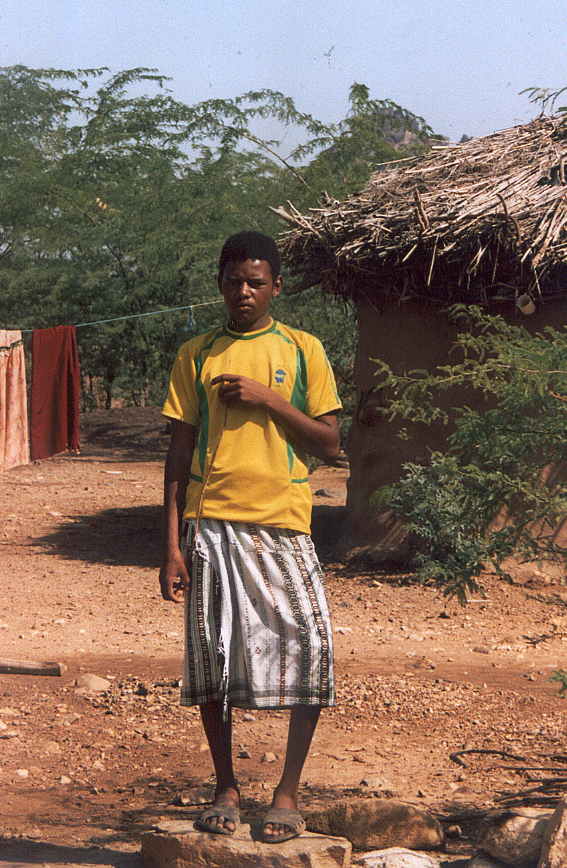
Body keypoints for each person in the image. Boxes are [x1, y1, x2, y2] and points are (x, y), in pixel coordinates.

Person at [159, 231, 341, 844]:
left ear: (277, 287)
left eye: (256, 282)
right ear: (220, 284)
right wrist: (171, 544)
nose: (244, 292)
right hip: (210, 526)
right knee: (212, 658)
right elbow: (177, 457)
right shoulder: (197, 354)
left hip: (284, 524)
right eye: (234, 281)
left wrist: (268, 398)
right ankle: (225, 787)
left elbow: (330, 443)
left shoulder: (304, 349)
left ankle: (287, 794)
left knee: (310, 648)